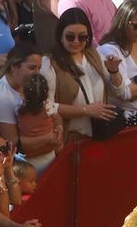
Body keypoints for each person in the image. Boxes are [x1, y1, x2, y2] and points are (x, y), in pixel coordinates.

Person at [41, 8, 124, 142]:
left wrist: (114, 72)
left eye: (82, 37)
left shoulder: (94, 55)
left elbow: (119, 91)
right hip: (71, 140)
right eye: (70, 36)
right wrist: (86, 110)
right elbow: (47, 107)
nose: (76, 41)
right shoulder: (49, 64)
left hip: (99, 136)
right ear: (60, 36)